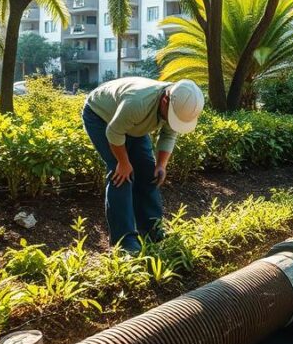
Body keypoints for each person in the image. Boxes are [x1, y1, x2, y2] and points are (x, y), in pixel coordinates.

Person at [82, 77, 205, 254]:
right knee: (121, 176)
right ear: (165, 100)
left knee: (148, 173)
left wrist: (161, 165)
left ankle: (152, 231)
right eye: (171, 117)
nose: (172, 122)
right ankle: (125, 242)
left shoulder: (176, 105)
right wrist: (123, 163)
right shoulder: (138, 102)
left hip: (132, 124)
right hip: (101, 117)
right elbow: (114, 132)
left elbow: (169, 135)